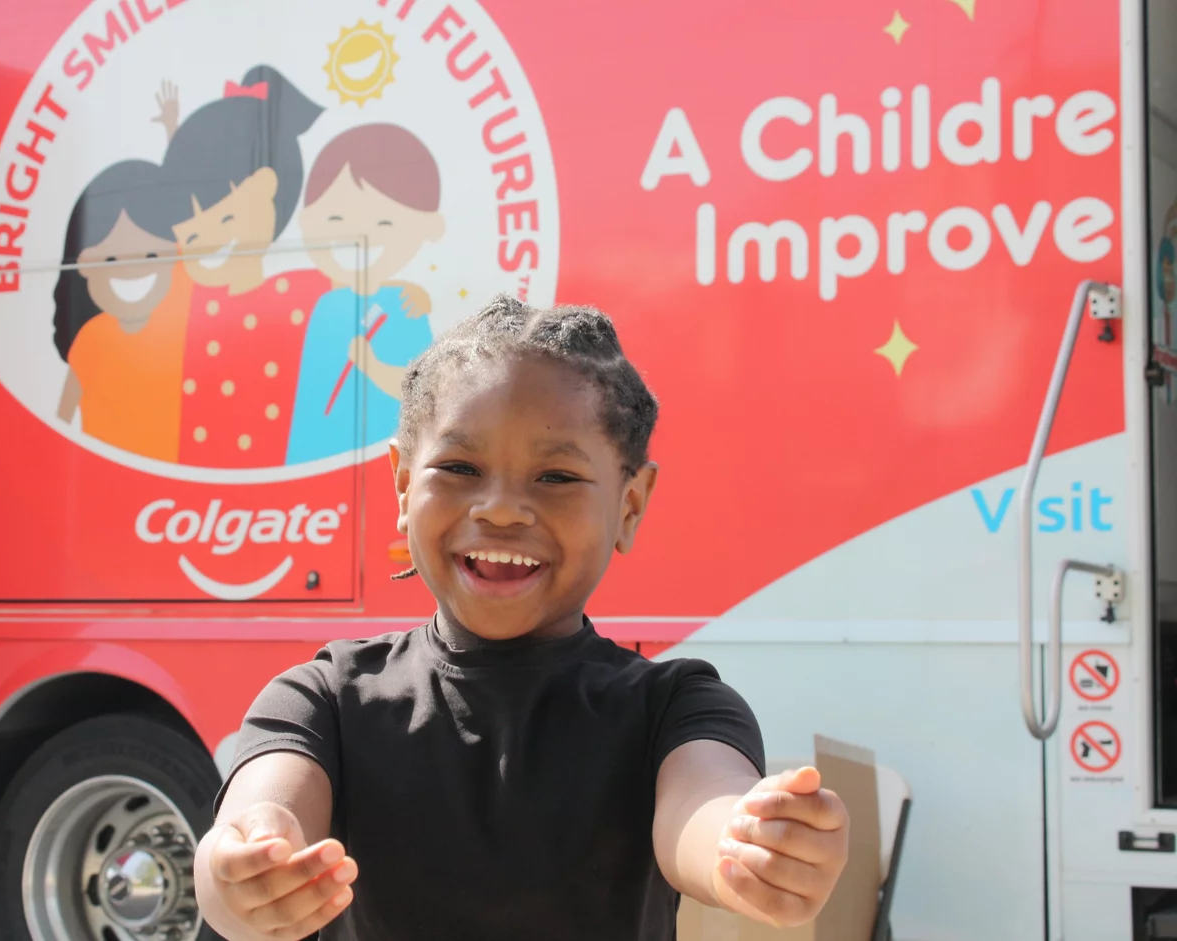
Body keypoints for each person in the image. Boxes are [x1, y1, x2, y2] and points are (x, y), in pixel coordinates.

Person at [194, 297, 850, 940]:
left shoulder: (676, 707)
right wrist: (245, 869)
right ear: (401, 485)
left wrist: (748, 840)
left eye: (556, 476)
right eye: (458, 467)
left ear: (629, 504)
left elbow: (702, 808)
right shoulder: (325, 697)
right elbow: (258, 818)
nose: (501, 509)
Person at [158, 65, 331, 467]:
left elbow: (359, 291)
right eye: (195, 237)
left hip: (278, 479)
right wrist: (174, 138)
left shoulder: (303, 292)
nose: (208, 246)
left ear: (268, 187)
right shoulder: (194, 296)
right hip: (196, 479)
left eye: (226, 221)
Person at [287, 124, 444, 465]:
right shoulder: (327, 307)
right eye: (334, 217)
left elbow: (424, 397)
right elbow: (309, 401)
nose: (351, 234)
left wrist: (372, 366)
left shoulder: (406, 307)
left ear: (429, 226)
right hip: (313, 455)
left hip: (385, 458)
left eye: (385, 224)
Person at [50, 155, 193, 461]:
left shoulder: (181, 334)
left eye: (152, 255)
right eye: (110, 261)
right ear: (83, 267)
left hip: (175, 482)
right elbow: (61, 420)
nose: (130, 272)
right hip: (105, 476)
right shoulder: (89, 340)